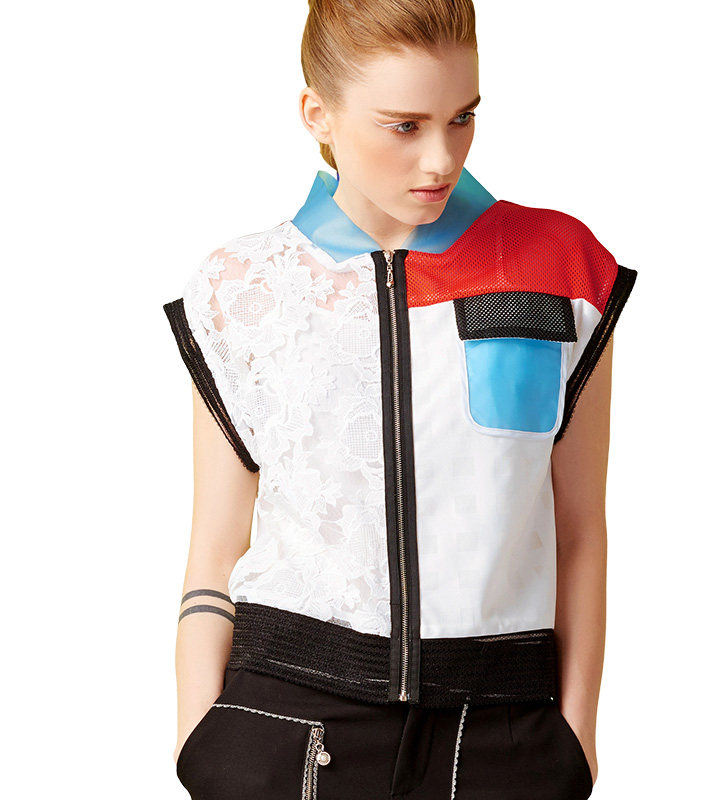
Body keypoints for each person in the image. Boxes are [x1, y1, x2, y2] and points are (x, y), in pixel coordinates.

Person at [162, 1, 637, 798]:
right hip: (285, 729)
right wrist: (198, 740)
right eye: (405, 126)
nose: (440, 159)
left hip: (500, 732)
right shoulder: (241, 290)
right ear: (318, 114)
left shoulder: (561, 268)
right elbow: (216, 541)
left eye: (462, 117)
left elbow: (580, 528)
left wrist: (577, 740)